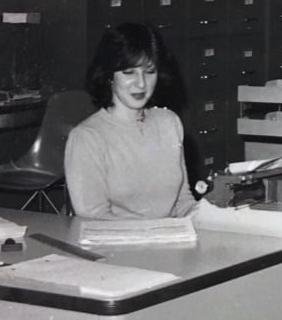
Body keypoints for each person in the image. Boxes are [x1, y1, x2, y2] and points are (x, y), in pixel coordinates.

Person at [65, 22, 197, 219]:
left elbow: (182, 201)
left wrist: (214, 218)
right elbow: (94, 216)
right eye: (129, 72)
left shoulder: (169, 122)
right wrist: (155, 234)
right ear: (109, 75)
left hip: (168, 240)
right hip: (116, 245)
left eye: (150, 72)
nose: (141, 83)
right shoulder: (86, 138)